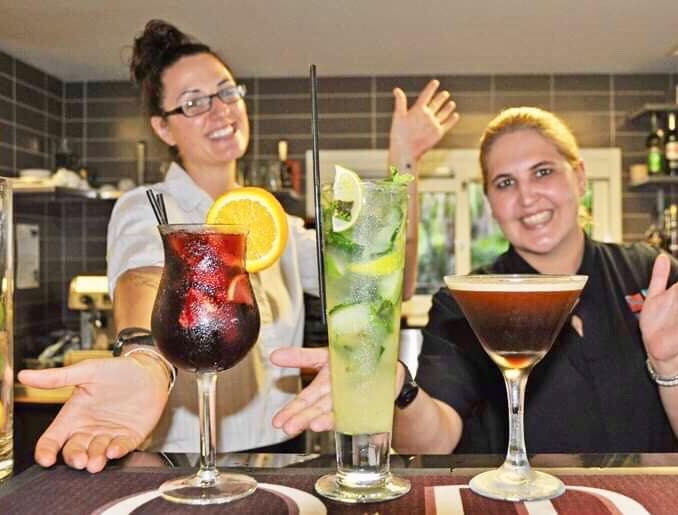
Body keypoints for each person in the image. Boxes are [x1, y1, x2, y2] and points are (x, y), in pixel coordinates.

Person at [17, 19, 459, 473]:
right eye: (194, 103)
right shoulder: (149, 205)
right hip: (181, 462)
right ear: (163, 129)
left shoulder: (277, 225)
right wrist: (145, 356)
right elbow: (144, 276)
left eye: (227, 92)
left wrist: (405, 161)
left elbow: (391, 281)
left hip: (283, 456)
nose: (221, 110)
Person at [271, 106, 678, 455]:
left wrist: (667, 360)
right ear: (490, 203)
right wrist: (398, 389)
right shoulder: (467, 300)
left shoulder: (651, 274)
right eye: (505, 183)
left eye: (543, 172)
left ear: (580, 177)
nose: (527, 197)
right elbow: (436, 440)